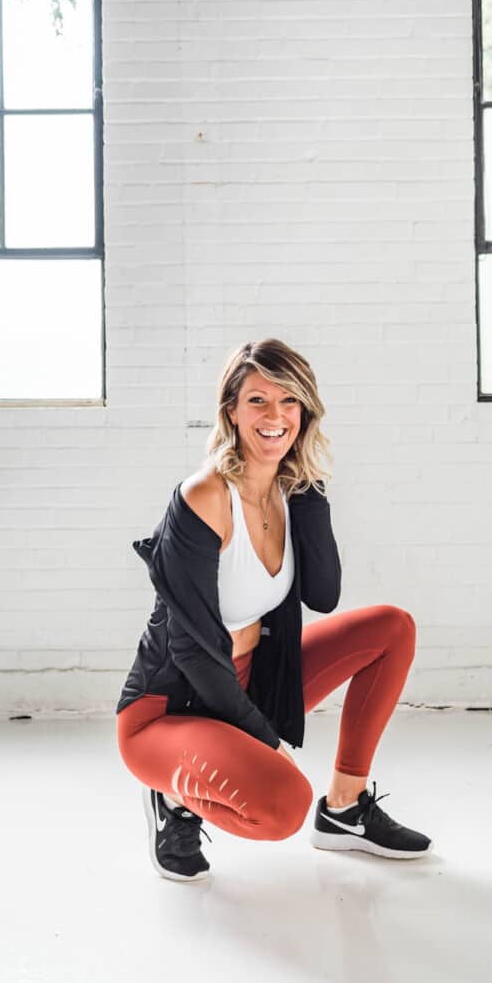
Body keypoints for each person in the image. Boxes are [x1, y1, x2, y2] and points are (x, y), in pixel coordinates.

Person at [116, 339, 431, 881]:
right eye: (258, 400)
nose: (275, 416)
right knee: (283, 805)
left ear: (305, 412)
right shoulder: (204, 496)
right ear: (232, 411)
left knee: (392, 629)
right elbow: (191, 646)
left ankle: (345, 808)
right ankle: (175, 801)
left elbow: (324, 596)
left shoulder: (292, 490)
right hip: (171, 709)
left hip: (255, 679)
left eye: (289, 401)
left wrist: (309, 490)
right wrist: (266, 739)